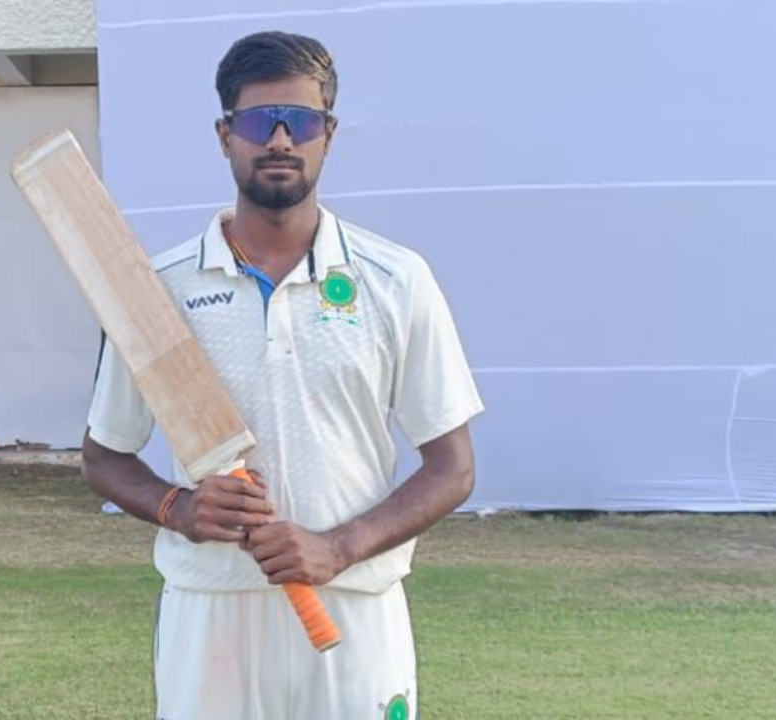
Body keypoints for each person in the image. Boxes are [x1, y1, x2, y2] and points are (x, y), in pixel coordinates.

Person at [82, 30, 484, 720]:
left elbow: (452, 468)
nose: (277, 139)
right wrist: (178, 509)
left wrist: (339, 547)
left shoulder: (395, 279)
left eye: (298, 121)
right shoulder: (158, 290)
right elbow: (104, 455)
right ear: (224, 135)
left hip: (354, 607)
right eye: (255, 121)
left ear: (327, 134)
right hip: (213, 609)